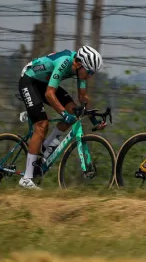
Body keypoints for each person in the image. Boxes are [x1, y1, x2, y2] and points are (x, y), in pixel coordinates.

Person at [17, 45, 103, 189]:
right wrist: (63, 113)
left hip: (44, 83)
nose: (90, 76)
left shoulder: (80, 69)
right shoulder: (64, 62)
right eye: (89, 72)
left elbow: (82, 97)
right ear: (79, 64)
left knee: (74, 113)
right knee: (42, 125)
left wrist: (94, 118)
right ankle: (26, 179)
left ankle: (45, 149)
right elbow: (49, 94)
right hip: (29, 80)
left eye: (93, 73)